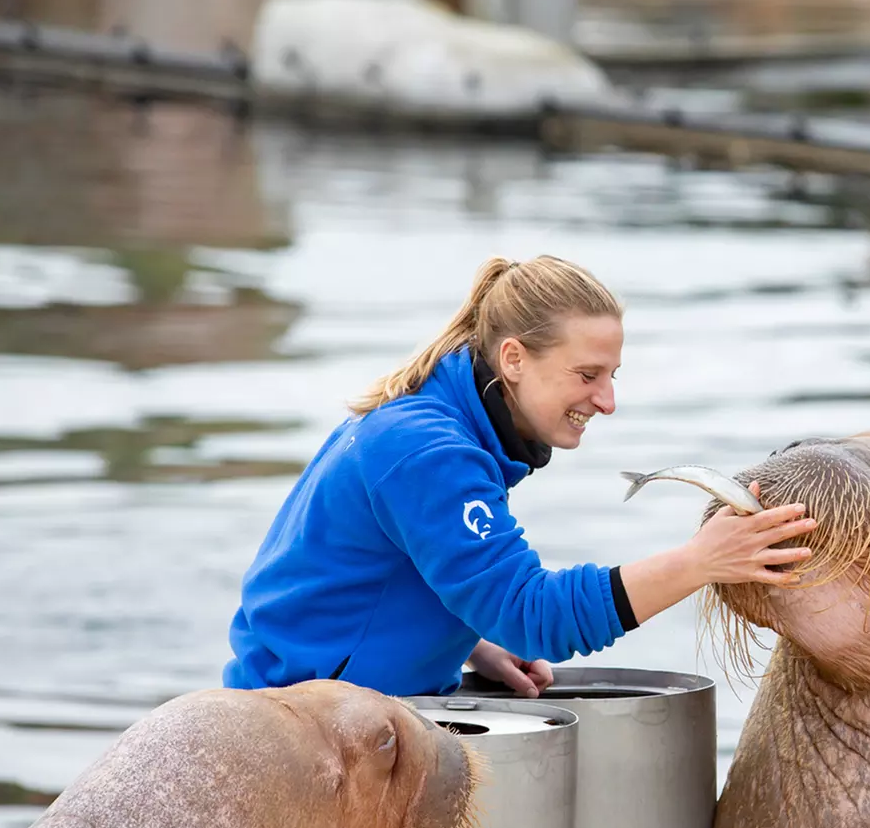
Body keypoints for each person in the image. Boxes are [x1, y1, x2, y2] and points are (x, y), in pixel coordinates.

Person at [222, 255, 816, 698]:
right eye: (587, 375)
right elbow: (534, 618)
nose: (607, 401)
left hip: (316, 695)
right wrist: (699, 562)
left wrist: (467, 637)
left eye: (612, 375)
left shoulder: (422, 417)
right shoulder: (428, 452)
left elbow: (371, 573)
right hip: (302, 724)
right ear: (513, 359)